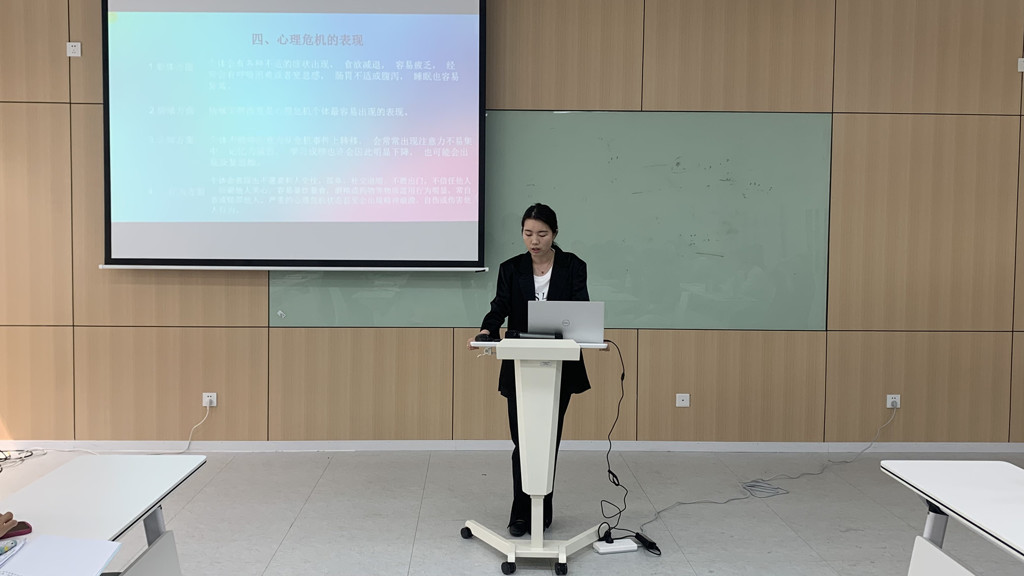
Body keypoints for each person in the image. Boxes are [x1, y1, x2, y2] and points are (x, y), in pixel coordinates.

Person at [467, 203, 590, 537]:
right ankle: (521, 515)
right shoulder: (511, 268)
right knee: (523, 441)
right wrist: (486, 330)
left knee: (547, 440)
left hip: (559, 366)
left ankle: (542, 512)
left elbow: (581, 310)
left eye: (542, 234)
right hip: (521, 364)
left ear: (555, 233)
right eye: (528, 233)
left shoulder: (573, 266)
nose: (534, 241)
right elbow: (500, 307)